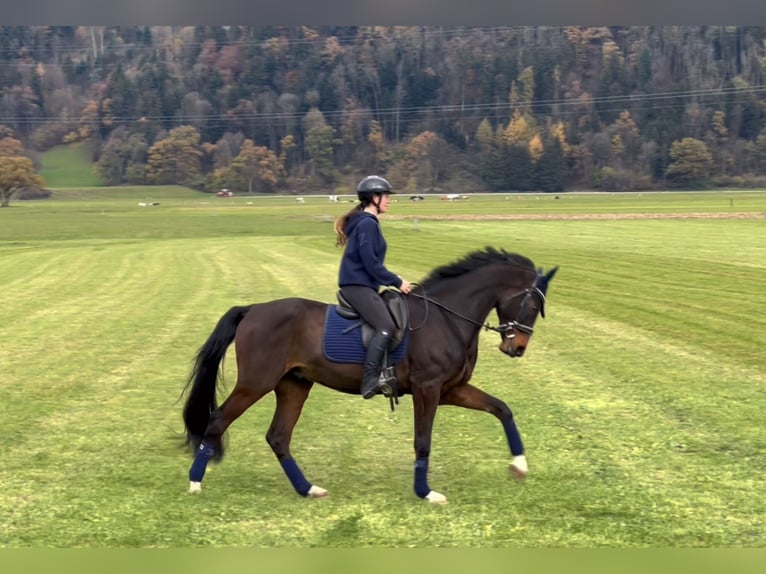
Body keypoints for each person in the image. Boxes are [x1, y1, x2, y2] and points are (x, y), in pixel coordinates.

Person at [334, 175, 412, 399]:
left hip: (363, 285)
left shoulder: (367, 223)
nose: (388, 200)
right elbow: (371, 264)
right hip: (357, 287)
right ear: (373, 198)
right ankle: (370, 379)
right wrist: (398, 282)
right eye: (385, 196)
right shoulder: (367, 224)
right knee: (386, 327)